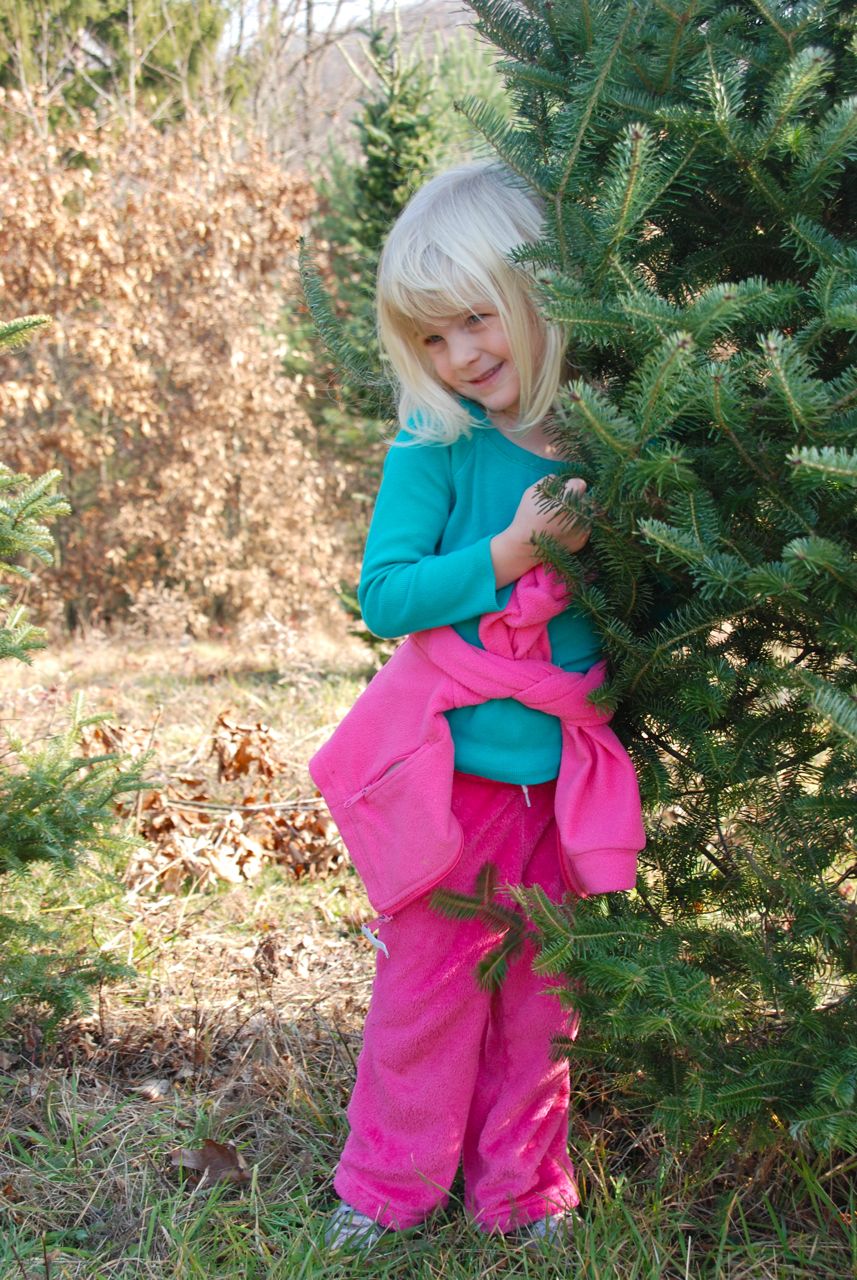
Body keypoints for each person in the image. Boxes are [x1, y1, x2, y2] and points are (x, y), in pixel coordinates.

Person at [309, 160, 645, 1250]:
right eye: (435, 336)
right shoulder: (438, 445)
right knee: (428, 988)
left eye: (474, 317)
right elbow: (385, 592)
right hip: (451, 776)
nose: (463, 354)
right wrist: (506, 552)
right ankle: (386, 1187)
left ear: (537, 290)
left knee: (543, 994)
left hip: (561, 776)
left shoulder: (610, 437)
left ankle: (521, 1190)